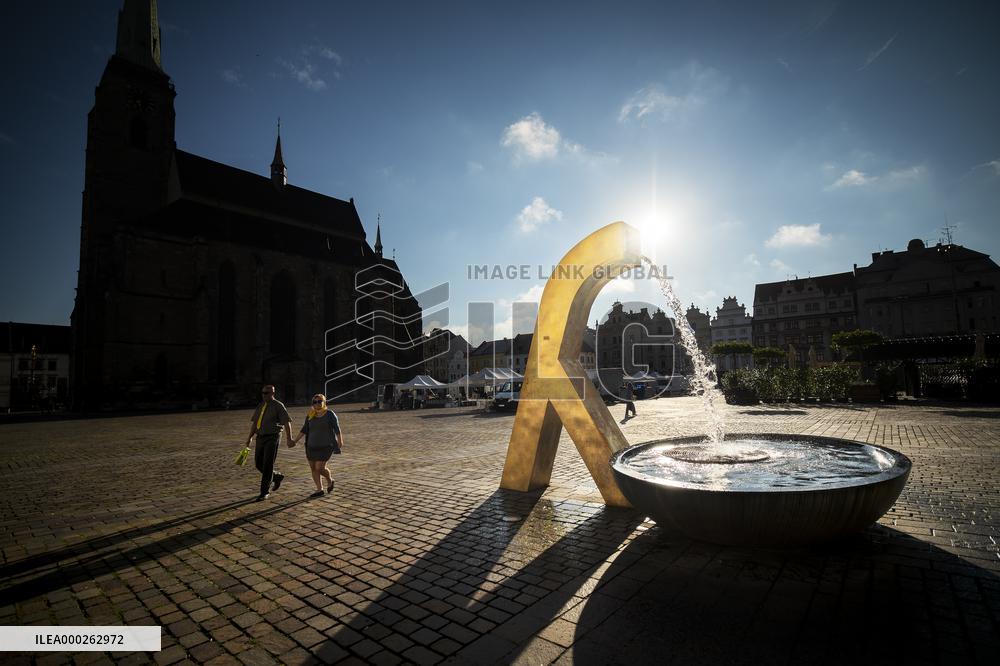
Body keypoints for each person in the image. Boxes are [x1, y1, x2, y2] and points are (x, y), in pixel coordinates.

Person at [290, 393, 343, 497]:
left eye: (320, 401)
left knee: (319, 467)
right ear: (312, 404)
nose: (317, 403)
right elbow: (304, 429)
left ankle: (329, 480)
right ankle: (319, 489)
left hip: (326, 446)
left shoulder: (329, 414)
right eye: (315, 402)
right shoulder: (310, 415)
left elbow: (337, 429)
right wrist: (294, 441)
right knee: (313, 468)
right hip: (311, 446)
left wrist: (340, 441)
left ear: (324, 402)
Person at [245, 385, 293, 501]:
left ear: (272, 393)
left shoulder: (278, 406)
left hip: (273, 437)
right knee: (258, 463)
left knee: (267, 464)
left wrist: (289, 438)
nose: (264, 395)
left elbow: (286, 422)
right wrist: (249, 437)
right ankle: (276, 476)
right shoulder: (260, 406)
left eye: (266, 393)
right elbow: (255, 423)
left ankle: (264, 492)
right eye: (262, 393)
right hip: (260, 437)